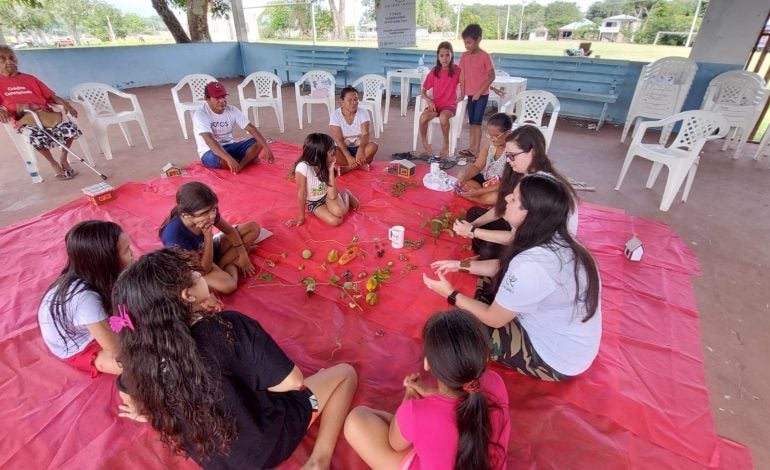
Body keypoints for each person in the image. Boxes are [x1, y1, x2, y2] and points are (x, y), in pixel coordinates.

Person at [112, 249, 358, 470]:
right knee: (345, 373)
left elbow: (127, 392)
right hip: (265, 444)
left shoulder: (140, 354)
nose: (201, 274)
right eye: (196, 274)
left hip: (212, 458)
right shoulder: (227, 328)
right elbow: (292, 383)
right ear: (187, 296)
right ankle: (319, 460)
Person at [424, 173, 602, 381]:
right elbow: (502, 266)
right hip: (566, 336)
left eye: (515, 199)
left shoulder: (534, 266)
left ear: (531, 215)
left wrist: (451, 294)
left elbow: (494, 319)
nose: (507, 198)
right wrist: (459, 265)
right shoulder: (553, 235)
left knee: (458, 331)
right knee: (489, 278)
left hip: (555, 358)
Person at [344, 309, 510, 469]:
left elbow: (395, 444)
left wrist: (409, 398)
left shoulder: (416, 413)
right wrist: (430, 395)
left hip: (417, 435)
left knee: (356, 420)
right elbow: (458, 408)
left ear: (427, 363)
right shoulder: (495, 382)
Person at [453, 125, 577, 260]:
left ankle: (493, 262)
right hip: (521, 228)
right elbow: (501, 208)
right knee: (474, 215)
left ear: (532, 152)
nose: (507, 160)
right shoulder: (521, 173)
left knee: (489, 249)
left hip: (538, 245)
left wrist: (473, 231)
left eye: (512, 156)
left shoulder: (539, 187)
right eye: (507, 155)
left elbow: (515, 237)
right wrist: (474, 226)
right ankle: (487, 258)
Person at [37, 220, 134, 377]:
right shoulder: (85, 300)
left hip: (92, 323)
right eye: (127, 250)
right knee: (137, 366)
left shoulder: (92, 275)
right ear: (106, 261)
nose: (133, 254)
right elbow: (116, 351)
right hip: (81, 346)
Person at [159, 181, 260, 295]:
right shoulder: (173, 235)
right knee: (229, 286)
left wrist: (243, 255)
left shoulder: (209, 212)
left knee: (252, 228)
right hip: (196, 267)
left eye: (214, 209)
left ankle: (224, 264)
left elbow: (230, 231)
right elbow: (203, 270)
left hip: (208, 249)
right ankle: (231, 264)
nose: (212, 215)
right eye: (205, 213)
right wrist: (208, 236)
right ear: (185, 215)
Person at [0, 45, 82, 180]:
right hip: (25, 121)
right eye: (2, 59)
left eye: (11, 58)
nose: (8, 62)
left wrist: (66, 104)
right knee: (35, 137)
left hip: (47, 116)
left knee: (70, 129)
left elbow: (51, 96)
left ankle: (64, 158)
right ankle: (53, 163)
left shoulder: (30, 79)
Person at [193, 81, 274, 174]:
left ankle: (240, 165)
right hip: (209, 151)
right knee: (223, 161)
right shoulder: (200, 114)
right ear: (206, 98)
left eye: (223, 96)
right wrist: (228, 158)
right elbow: (209, 141)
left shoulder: (232, 110)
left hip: (231, 146)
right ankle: (246, 160)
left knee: (259, 142)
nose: (222, 100)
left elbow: (251, 128)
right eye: (217, 98)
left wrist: (266, 147)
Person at [286, 133, 359, 227]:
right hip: (314, 203)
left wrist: (331, 169)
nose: (334, 154)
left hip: (327, 195)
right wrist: (301, 217)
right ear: (320, 153)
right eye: (331, 151)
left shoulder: (326, 163)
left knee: (339, 211)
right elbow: (302, 194)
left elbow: (332, 195)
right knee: (336, 221)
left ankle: (346, 194)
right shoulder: (303, 167)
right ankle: (343, 200)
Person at [454, 113, 512, 205]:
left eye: (496, 136)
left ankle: (478, 198)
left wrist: (478, 192)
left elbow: (507, 183)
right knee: (462, 175)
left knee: (495, 197)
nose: (492, 139)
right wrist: (462, 180)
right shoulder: (490, 143)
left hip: (502, 186)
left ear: (508, 132)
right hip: (487, 182)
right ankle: (483, 197)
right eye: (489, 135)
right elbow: (477, 166)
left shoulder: (513, 150)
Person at [418, 41, 463, 158]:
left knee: (443, 118)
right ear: (438, 57)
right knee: (423, 117)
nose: (445, 58)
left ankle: (445, 143)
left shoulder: (457, 70)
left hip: (449, 106)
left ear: (452, 55)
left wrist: (461, 96)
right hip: (436, 105)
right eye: (442, 56)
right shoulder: (434, 71)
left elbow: (468, 84)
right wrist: (428, 100)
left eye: (447, 55)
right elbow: (423, 91)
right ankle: (424, 141)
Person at [458, 24, 495, 159]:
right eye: (465, 42)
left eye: (469, 42)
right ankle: (471, 147)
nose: (467, 45)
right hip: (469, 94)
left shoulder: (485, 56)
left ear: (478, 39)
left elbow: (492, 76)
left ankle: (476, 150)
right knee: (471, 121)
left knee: (477, 123)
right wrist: (462, 92)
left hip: (481, 95)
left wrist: (479, 91)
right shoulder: (464, 56)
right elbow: (461, 74)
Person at [329, 86, 378, 173]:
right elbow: (338, 140)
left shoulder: (363, 112)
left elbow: (365, 134)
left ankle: (347, 168)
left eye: (356, 99)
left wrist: (361, 150)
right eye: (350, 100)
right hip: (343, 150)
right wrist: (348, 157)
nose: (354, 102)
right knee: (329, 151)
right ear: (342, 102)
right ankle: (360, 166)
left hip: (360, 148)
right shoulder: (335, 115)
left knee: (373, 146)